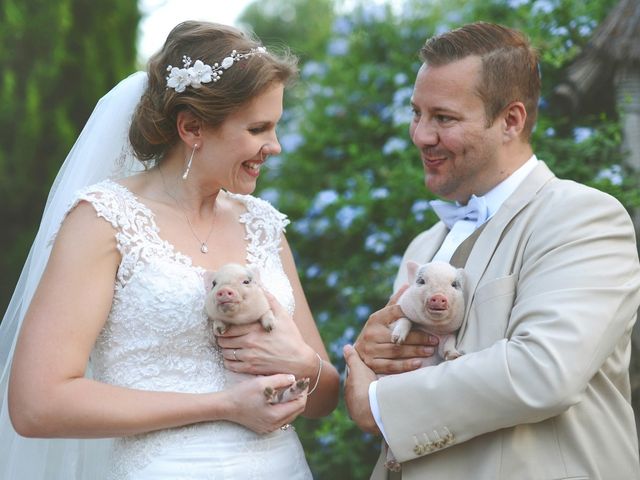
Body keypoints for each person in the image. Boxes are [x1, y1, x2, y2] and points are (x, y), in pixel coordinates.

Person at [0, 20, 339, 479]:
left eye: (275, 128)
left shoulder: (262, 225)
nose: (274, 147)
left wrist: (300, 363)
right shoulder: (104, 220)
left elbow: (324, 398)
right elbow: (37, 404)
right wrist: (223, 406)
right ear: (192, 127)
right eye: (258, 129)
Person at [343, 21, 640, 479]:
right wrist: (374, 354)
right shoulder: (425, 245)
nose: (421, 135)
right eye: (416, 113)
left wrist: (379, 404)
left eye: (443, 118)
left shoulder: (585, 217)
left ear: (511, 121)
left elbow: (544, 371)